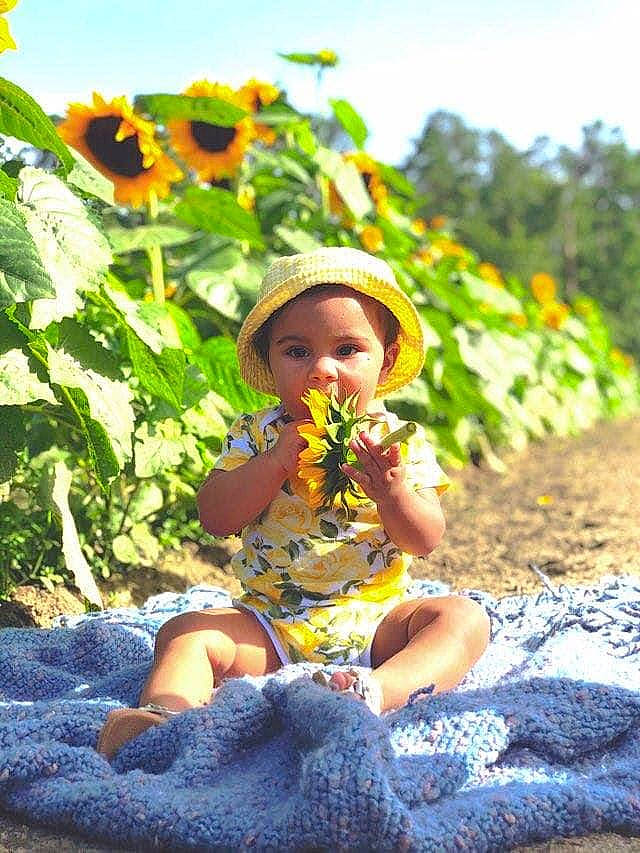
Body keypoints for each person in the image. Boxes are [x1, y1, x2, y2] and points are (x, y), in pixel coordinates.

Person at [97, 246, 490, 759]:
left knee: (463, 619)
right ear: (269, 359)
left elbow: (426, 538)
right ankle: (165, 722)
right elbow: (216, 517)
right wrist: (275, 464)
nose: (323, 370)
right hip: (271, 625)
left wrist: (392, 492)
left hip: (376, 622)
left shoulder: (396, 441)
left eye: (348, 350)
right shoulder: (256, 434)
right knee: (185, 631)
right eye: (297, 351)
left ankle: (375, 693)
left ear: (386, 359)